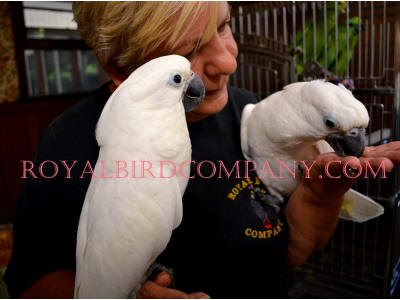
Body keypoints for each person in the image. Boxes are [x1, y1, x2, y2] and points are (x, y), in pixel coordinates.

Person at [4, 1, 400, 298]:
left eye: (225, 26)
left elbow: (287, 255)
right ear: (120, 71)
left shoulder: (252, 113)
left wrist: (319, 194)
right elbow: (30, 282)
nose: (228, 62)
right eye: (188, 51)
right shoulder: (67, 144)